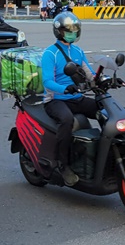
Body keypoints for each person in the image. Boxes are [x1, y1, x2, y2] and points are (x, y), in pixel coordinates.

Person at [41, 12, 96, 187]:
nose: (73, 32)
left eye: (75, 29)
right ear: (59, 31)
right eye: (69, 30)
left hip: (76, 97)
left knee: (103, 109)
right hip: (55, 99)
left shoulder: (78, 51)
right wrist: (64, 88)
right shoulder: (50, 53)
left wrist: (103, 80)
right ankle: (62, 164)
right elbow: (48, 81)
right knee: (66, 120)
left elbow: (89, 73)